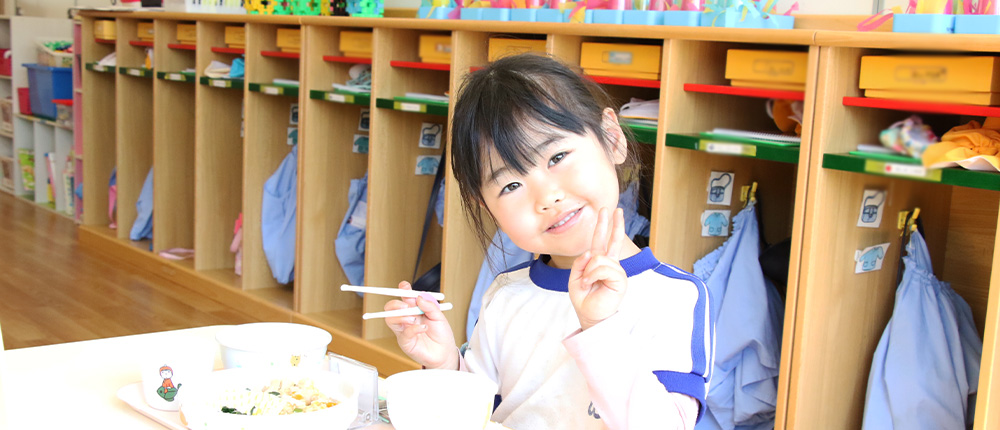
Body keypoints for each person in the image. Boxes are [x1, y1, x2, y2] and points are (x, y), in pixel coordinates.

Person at [383, 53, 713, 429]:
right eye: (510, 185)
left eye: (557, 156)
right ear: (485, 205)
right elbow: (480, 412)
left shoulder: (673, 297)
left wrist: (599, 327)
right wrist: (444, 363)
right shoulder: (506, 294)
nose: (546, 197)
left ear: (612, 137)